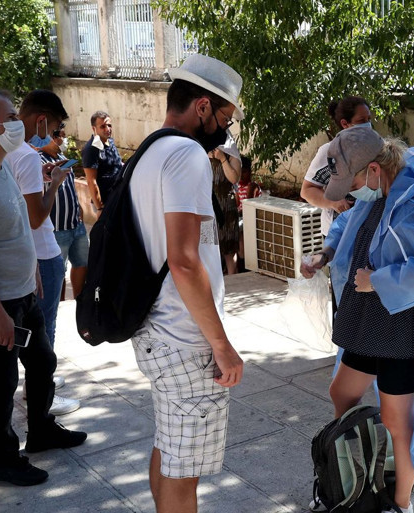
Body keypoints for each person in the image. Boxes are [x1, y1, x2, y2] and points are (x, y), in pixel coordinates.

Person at [302, 126, 414, 512]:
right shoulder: (379, 195)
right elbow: (351, 227)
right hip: (368, 324)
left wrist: (379, 281)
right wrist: (326, 254)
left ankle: (401, 503)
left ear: (373, 170)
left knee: (398, 422)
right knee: (342, 393)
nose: (350, 192)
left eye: (351, 182)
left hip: (399, 329)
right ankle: (357, 463)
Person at [129, 54, 245, 513]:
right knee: (184, 472)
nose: (225, 128)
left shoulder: (150, 150)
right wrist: (221, 344)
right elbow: (183, 260)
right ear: (201, 107)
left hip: (160, 329)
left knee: (170, 448)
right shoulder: (186, 156)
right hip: (184, 338)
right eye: (224, 117)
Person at [0, 88, 86, 487]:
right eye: (11, 115)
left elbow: (17, 227)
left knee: (42, 363)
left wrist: (32, 270)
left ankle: (41, 430)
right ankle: (3, 458)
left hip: (22, 294)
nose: (18, 122)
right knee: (1, 383)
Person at [7, 89, 81, 415]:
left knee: (35, 331)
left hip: (25, 253)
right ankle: (42, 395)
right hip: (43, 253)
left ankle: (37, 387)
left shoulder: (6, 150)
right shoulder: (25, 154)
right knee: (44, 330)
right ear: (40, 121)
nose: (52, 137)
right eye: (51, 130)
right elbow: (37, 217)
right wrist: (55, 183)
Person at [300, 96, 371, 238]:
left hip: (370, 231)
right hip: (338, 233)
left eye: (369, 119)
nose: (368, 125)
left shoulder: (376, 148)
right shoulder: (330, 153)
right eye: (361, 121)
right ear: (345, 124)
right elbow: (307, 190)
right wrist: (333, 203)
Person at [40, 128, 89, 298]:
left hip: (76, 224)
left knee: (82, 263)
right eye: (60, 136)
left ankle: (79, 301)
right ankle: (58, 305)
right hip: (57, 228)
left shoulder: (62, 159)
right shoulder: (40, 161)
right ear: (50, 138)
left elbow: (70, 186)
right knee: (58, 271)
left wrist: (79, 207)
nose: (64, 139)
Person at [208, 134, 242, 274]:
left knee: (229, 247)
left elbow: (234, 179)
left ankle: (233, 280)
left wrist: (222, 158)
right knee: (207, 245)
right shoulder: (200, 149)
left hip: (226, 207)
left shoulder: (230, 151)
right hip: (207, 205)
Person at [81, 110, 123, 211]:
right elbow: (91, 181)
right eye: (103, 126)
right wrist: (100, 208)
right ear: (94, 128)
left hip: (117, 197)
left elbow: (117, 164)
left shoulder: (109, 141)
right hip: (105, 203)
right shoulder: (91, 149)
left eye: (109, 125)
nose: (108, 129)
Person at [233, 155, 262, 265]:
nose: (241, 176)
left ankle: (243, 258)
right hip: (241, 215)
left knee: (239, 229)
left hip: (251, 215)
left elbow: (247, 204)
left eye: (244, 172)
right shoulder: (236, 186)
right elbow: (237, 204)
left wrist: (239, 213)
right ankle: (239, 257)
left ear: (250, 172)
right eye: (239, 173)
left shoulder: (252, 185)